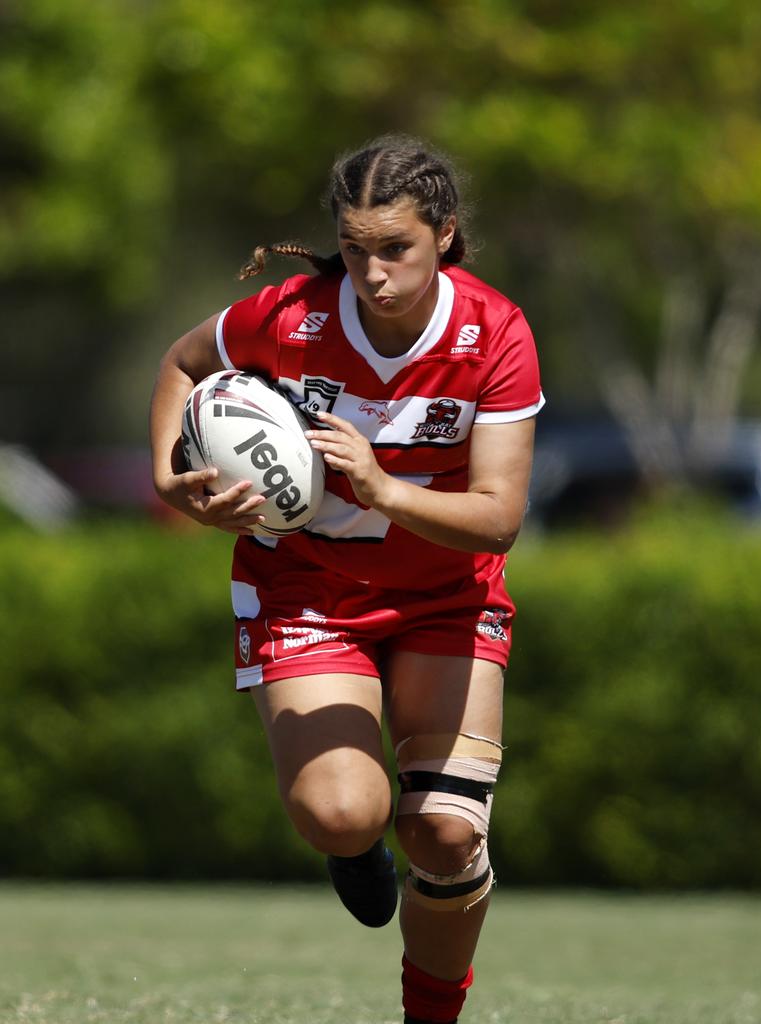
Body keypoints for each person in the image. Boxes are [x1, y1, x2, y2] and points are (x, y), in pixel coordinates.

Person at [150, 134, 544, 1024]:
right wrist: (173, 482)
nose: (372, 273)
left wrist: (381, 487)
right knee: (341, 814)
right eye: (356, 248)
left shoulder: (497, 332)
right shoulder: (291, 316)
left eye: (395, 248)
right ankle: (354, 841)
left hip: (448, 591)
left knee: (444, 832)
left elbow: (500, 515)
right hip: (308, 590)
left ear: (444, 235)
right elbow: (183, 363)